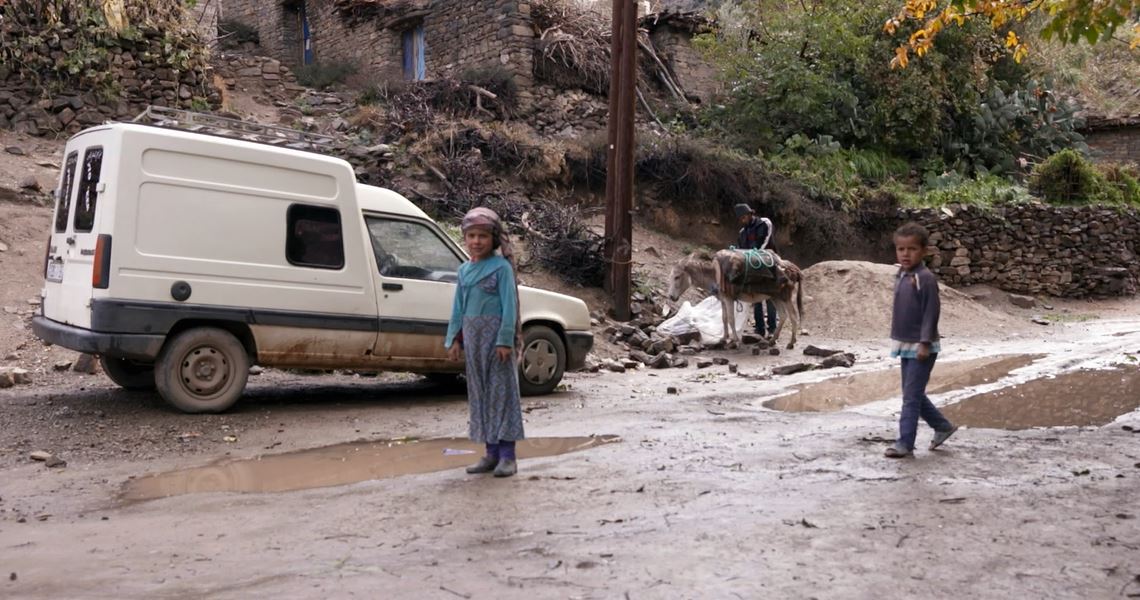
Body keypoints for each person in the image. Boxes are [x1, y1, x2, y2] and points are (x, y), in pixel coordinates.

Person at [445, 207, 525, 477]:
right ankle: (490, 454)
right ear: (464, 238)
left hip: (496, 342)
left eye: (482, 236)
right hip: (474, 340)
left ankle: (508, 457)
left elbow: (510, 306)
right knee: (480, 395)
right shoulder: (464, 271)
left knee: (502, 394)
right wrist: (455, 339)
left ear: (493, 239)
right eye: (471, 236)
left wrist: (505, 340)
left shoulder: (501, 268)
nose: (476, 241)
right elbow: (458, 307)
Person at [885, 222, 959, 458]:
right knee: (912, 393)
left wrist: (925, 342)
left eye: (912, 249)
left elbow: (931, 312)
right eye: (901, 249)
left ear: (924, 251)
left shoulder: (924, 278)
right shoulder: (902, 274)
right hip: (905, 344)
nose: (906, 254)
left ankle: (905, 443)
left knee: (910, 398)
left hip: (921, 346)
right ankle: (943, 426)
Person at [733, 203, 777, 336]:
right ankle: (759, 329)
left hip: (768, 264)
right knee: (756, 298)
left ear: (749, 215)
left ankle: (772, 329)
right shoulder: (742, 232)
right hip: (752, 268)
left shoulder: (764, 223)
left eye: (743, 218)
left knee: (770, 297)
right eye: (740, 219)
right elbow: (740, 250)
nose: (742, 221)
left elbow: (764, 243)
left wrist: (753, 255)